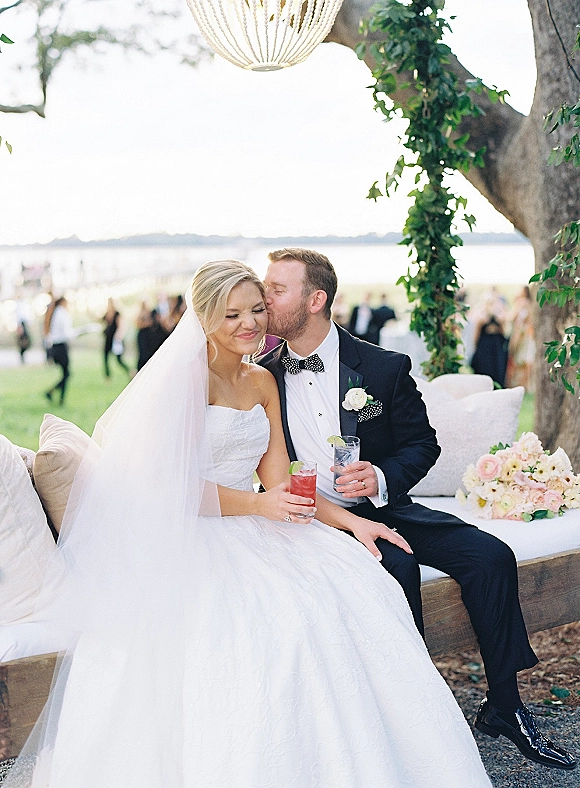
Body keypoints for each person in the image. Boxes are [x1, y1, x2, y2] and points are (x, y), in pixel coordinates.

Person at [5, 261, 492, 788]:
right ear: (204, 318)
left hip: (262, 527)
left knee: (353, 591)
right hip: (193, 539)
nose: (250, 324)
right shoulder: (185, 384)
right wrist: (259, 507)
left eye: (257, 309)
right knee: (264, 632)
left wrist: (351, 524)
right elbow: (169, 490)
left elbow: (281, 482)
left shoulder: (262, 380)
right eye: (232, 314)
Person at [259, 248, 575, 772]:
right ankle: (412, 717)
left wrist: (381, 476)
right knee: (397, 567)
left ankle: (505, 705)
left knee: (490, 556)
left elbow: (422, 444)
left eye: (276, 289)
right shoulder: (263, 372)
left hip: (384, 505)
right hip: (312, 519)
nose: (264, 298)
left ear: (315, 300)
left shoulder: (381, 368)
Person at [470, 288, 509, 387]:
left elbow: (503, 329)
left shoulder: (500, 312)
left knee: (497, 368)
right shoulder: (481, 313)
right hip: (484, 345)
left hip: (496, 345)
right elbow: (477, 331)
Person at [44, 296, 73, 405]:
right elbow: (67, 333)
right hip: (61, 346)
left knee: (66, 374)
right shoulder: (61, 313)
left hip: (55, 347)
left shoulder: (55, 312)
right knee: (67, 374)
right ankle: (59, 398)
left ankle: (54, 394)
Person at [506, 285, 535, 390]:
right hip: (525, 335)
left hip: (522, 336)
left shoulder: (522, 303)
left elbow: (515, 318)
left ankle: (521, 385)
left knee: (519, 360)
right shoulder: (529, 304)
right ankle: (523, 385)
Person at [102, 297, 130, 378]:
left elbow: (121, 325)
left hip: (115, 339)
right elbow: (99, 319)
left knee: (119, 360)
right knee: (105, 357)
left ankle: (130, 371)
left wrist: (118, 336)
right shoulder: (107, 314)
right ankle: (108, 376)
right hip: (108, 339)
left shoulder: (117, 314)